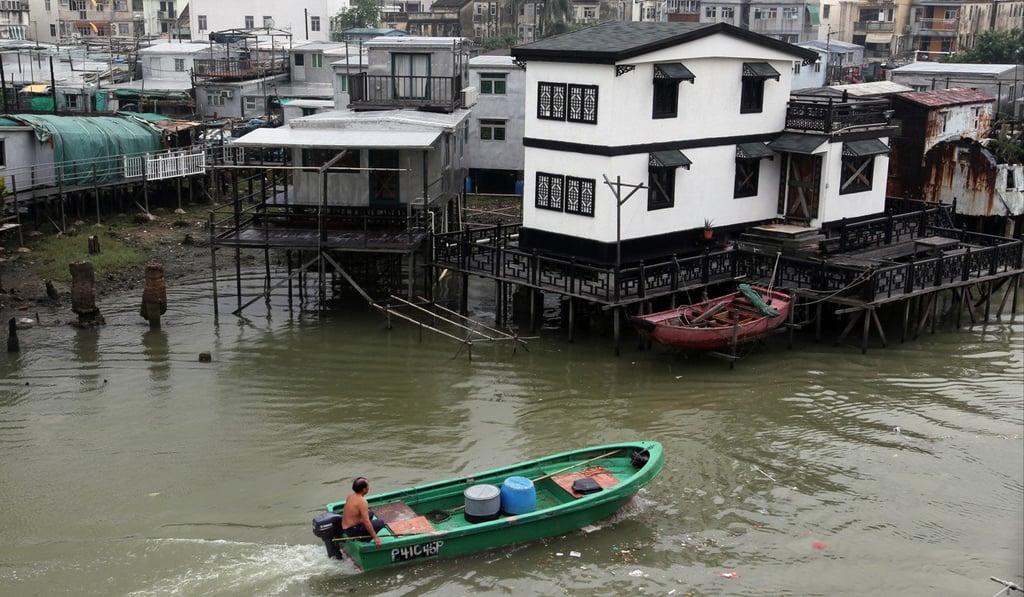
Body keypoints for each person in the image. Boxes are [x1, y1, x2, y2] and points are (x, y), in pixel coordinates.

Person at [341, 477, 385, 546]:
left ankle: (361, 533)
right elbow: (366, 522)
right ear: (364, 489)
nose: (369, 487)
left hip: (345, 527)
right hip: (352, 530)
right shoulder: (362, 502)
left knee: (371, 513)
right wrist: (376, 538)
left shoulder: (350, 496)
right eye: (367, 486)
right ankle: (364, 539)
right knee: (380, 522)